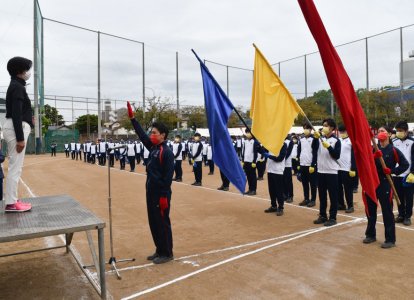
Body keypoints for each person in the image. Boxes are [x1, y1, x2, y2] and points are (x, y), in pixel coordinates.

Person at [128, 101, 174, 264]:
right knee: (154, 223)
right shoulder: (153, 148)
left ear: (163, 135)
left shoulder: (166, 152)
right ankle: (159, 249)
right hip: (151, 192)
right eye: (151, 132)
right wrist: (133, 119)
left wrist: (163, 196)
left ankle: (167, 253)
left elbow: (167, 178)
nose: (151, 135)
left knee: (162, 223)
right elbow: (142, 136)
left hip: (161, 195)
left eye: (154, 132)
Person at [364, 127, 409, 248]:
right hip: (373, 182)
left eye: (383, 140)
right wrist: (373, 156)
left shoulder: (394, 150)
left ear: (388, 138)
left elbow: (405, 165)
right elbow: (366, 162)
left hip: (385, 182)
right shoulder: (373, 149)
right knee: (370, 210)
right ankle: (370, 234)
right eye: (380, 140)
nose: (381, 142)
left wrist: (392, 171)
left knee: (387, 212)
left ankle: (390, 239)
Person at [3, 56, 34, 212]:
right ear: (19, 71)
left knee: (16, 167)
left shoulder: (17, 85)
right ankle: (11, 203)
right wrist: (20, 138)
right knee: (15, 167)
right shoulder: (17, 86)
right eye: (26, 69)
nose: (28, 72)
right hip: (17, 129)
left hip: (17, 128)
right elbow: (16, 113)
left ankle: (12, 200)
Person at [313, 118, 341, 227]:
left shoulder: (336, 141)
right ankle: (323, 215)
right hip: (321, 171)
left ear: (332, 128)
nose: (324, 127)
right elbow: (314, 149)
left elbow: (336, 155)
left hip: (332, 172)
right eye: (323, 125)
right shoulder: (320, 139)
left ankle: (333, 217)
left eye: (326, 125)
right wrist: (316, 139)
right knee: (322, 195)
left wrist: (329, 147)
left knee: (333, 195)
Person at [393, 121, 414, 226]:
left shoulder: (412, 142)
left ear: (406, 131)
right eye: (397, 131)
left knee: (409, 197)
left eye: (400, 131)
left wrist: (413, 173)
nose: (398, 132)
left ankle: (407, 216)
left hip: (408, 175)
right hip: (396, 174)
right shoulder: (394, 141)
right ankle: (401, 214)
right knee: (398, 196)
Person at [297, 123, 318, 207]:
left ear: (311, 130)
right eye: (304, 128)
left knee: (312, 183)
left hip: (311, 165)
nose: (305, 130)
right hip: (303, 164)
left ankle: (313, 200)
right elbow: (299, 151)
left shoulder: (314, 139)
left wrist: (313, 164)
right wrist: (299, 162)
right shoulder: (301, 139)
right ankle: (306, 198)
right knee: (304, 183)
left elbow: (315, 152)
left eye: (307, 128)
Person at [263, 144, 287, 216]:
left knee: (279, 190)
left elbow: (280, 158)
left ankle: (280, 207)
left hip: (278, 170)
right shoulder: (271, 143)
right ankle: (273, 206)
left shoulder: (283, 145)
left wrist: (269, 156)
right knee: (272, 190)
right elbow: (263, 150)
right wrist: (260, 146)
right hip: (270, 169)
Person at [337, 125, 356, 213]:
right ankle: (341, 204)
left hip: (347, 168)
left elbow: (354, 155)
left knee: (348, 188)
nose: (342, 133)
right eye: (341, 132)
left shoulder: (351, 141)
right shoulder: (338, 140)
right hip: (338, 168)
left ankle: (350, 205)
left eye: (344, 131)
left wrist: (353, 168)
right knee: (338, 188)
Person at [242, 129, 259, 195]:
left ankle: (254, 190)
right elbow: (243, 151)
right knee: (248, 176)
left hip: (252, 162)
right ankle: (250, 189)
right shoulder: (245, 142)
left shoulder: (255, 142)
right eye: (246, 132)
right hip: (246, 161)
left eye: (248, 132)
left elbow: (255, 153)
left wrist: (254, 161)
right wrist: (243, 160)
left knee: (253, 176)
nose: (247, 134)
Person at [283, 135, 294, 203]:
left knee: (288, 181)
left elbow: (288, 152)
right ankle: (285, 194)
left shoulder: (290, 142)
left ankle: (290, 196)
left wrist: (282, 158)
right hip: (280, 165)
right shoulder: (280, 141)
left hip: (287, 164)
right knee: (282, 180)